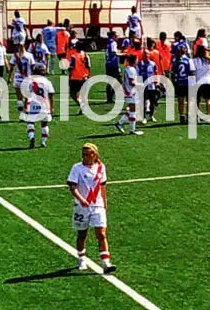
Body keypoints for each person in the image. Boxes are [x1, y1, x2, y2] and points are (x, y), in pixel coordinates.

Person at [67, 143, 116, 273]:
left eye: (88, 155)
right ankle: (81, 258)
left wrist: (105, 203)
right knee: (82, 234)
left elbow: (102, 186)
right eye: (83, 155)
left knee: (101, 233)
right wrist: (81, 199)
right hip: (82, 206)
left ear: (94, 155)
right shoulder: (77, 168)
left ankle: (106, 262)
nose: (85, 157)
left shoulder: (101, 167)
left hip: (97, 205)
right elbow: (72, 186)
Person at [25, 63, 54, 148]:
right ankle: (43, 142)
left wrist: (25, 105)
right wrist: (52, 107)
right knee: (44, 124)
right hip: (45, 106)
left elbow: (27, 95)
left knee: (30, 122)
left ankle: (32, 137)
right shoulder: (47, 82)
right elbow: (51, 95)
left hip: (33, 105)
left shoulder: (30, 82)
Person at [114, 54, 143, 136]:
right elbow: (131, 82)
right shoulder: (131, 69)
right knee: (133, 110)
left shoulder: (129, 68)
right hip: (130, 92)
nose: (138, 60)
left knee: (131, 109)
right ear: (134, 60)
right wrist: (140, 84)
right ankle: (132, 129)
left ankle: (120, 123)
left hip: (129, 91)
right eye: (137, 59)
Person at [9, 39, 35, 117]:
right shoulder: (29, 55)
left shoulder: (15, 55)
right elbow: (33, 67)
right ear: (25, 46)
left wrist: (9, 78)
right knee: (28, 96)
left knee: (19, 98)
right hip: (27, 78)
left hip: (17, 78)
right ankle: (26, 110)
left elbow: (11, 67)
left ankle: (21, 115)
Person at [193, 45, 210, 118]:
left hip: (198, 81)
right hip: (208, 81)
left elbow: (192, 71)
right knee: (208, 100)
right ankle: (209, 116)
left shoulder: (194, 60)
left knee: (197, 100)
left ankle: (197, 116)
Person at [173, 45, 195, 124]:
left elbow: (174, 73)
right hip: (187, 82)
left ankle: (182, 117)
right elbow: (192, 72)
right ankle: (188, 115)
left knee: (181, 101)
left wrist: (174, 82)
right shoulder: (188, 60)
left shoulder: (176, 60)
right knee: (189, 100)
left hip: (179, 83)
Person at [68, 41, 91, 114]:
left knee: (73, 94)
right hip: (84, 76)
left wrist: (69, 73)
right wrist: (88, 75)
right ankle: (82, 109)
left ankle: (81, 105)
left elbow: (71, 67)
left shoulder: (73, 56)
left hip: (75, 77)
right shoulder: (85, 55)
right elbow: (88, 66)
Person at [137, 50, 158, 125]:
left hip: (151, 85)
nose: (146, 55)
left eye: (147, 54)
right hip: (143, 86)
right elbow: (138, 75)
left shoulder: (153, 64)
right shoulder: (139, 64)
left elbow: (155, 72)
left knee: (153, 101)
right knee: (143, 102)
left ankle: (151, 115)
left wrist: (156, 81)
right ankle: (144, 117)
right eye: (145, 54)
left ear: (149, 55)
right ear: (143, 55)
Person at [104, 31, 121, 104]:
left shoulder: (109, 42)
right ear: (113, 36)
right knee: (119, 81)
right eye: (116, 35)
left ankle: (109, 98)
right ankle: (110, 97)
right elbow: (114, 53)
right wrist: (123, 55)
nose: (118, 37)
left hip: (108, 64)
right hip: (113, 65)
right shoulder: (113, 43)